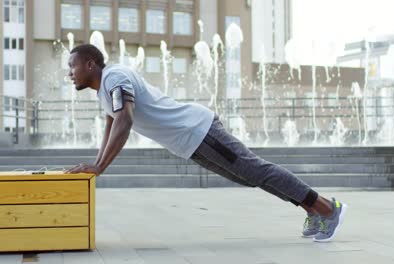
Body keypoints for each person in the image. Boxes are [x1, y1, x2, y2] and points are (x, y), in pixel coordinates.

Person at [65, 44, 347, 242]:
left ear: (90, 64)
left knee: (257, 171)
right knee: (251, 178)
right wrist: (96, 163)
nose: (70, 73)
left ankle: (327, 209)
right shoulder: (104, 90)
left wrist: (100, 166)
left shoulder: (114, 77)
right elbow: (112, 124)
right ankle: (311, 207)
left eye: (72, 66)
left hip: (198, 130)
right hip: (191, 142)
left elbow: (124, 121)